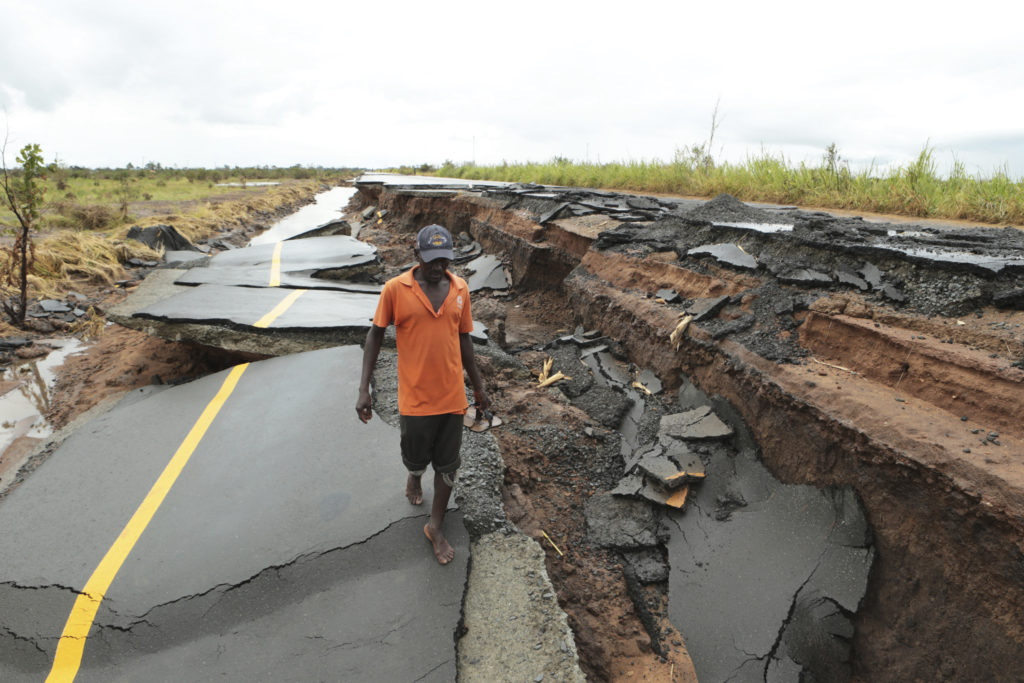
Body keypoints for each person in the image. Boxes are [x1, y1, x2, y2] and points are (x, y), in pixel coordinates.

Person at [356, 224, 489, 565]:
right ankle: (414, 476)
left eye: (444, 260)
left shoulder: (460, 289)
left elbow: (464, 340)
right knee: (415, 455)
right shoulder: (394, 290)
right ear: (416, 255)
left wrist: (478, 386)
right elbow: (375, 336)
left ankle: (435, 525)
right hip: (414, 399)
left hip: (451, 399)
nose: (437, 267)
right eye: (431, 260)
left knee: (448, 465)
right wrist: (364, 389)